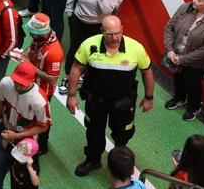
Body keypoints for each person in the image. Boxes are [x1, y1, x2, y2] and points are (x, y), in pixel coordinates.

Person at [66, 16, 154, 176]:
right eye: (109, 34)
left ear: (122, 29)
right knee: (93, 132)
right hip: (96, 101)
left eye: (117, 33)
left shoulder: (136, 48)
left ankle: (119, 168)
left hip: (123, 104)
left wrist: (149, 97)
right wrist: (71, 95)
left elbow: (147, 72)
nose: (114, 38)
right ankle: (93, 160)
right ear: (101, 31)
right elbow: (76, 68)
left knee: (122, 136)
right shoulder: (89, 45)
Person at [60, 0, 124, 94]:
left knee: (93, 51)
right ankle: (67, 78)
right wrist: (69, 13)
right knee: (75, 49)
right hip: (78, 21)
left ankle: (84, 75)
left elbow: (106, 11)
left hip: (98, 26)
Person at [0, 61, 50, 189]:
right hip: (3, 131)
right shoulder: (6, 83)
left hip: (25, 143)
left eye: (22, 84)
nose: (17, 86)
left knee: (19, 178)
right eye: (16, 81)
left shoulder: (39, 101)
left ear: (32, 81)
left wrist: (17, 135)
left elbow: (44, 126)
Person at [163, 0, 204, 121]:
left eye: (198, 0)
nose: (193, 1)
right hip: (176, 54)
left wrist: (182, 59)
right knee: (178, 77)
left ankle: (194, 107)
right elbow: (169, 27)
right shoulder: (185, 7)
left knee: (192, 82)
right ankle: (179, 98)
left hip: (198, 62)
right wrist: (170, 50)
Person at [21, 13, 62, 154]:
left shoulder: (54, 52)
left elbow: (52, 79)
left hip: (43, 91)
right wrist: (23, 54)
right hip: (31, 84)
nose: (30, 35)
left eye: (32, 33)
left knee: (42, 120)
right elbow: (31, 47)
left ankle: (42, 145)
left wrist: (29, 65)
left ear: (41, 33)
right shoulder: (40, 39)